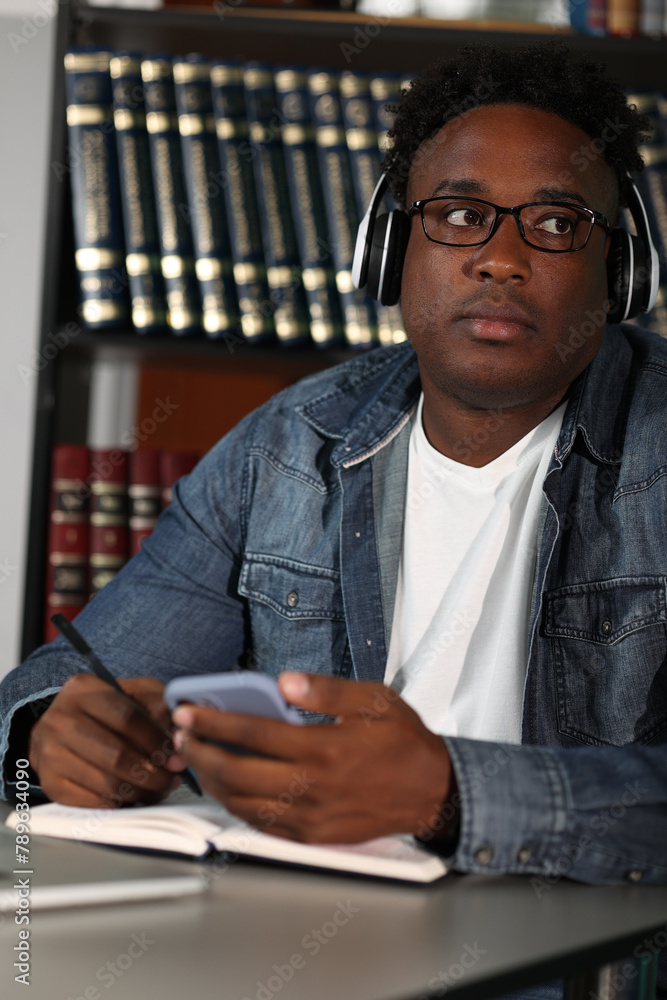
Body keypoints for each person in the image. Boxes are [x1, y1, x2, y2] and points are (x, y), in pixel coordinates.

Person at [1, 40, 666, 999]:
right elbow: (77, 673)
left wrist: (451, 796)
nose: (500, 257)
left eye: (557, 223)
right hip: (311, 952)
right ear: (389, 251)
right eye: (460, 215)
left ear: (623, 270)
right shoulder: (284, 446)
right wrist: (47, 739)